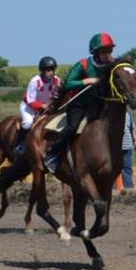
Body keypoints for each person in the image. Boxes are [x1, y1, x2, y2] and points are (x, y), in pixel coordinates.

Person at [43, 33, 116, 174]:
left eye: (109, 51)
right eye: (104, 52)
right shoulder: (83, 64)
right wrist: (87, 81)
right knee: (72, 127)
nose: (107, 55)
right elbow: (68, 83)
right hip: (79, 104)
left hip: (98, 104)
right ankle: (52, 154)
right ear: (95, 52)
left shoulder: (111, 65)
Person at [15, 56, 61, 155]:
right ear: (43, 71)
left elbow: (57, 95)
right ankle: (19, 145)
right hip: (29, 107)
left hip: (46, 106)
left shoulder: (56, 80)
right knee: (28, 123)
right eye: (48, 70)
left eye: (52, 70)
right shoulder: (35, 81)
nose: (51, 73)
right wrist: (43, 106)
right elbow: (30, 100)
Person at [119, 110, 136, 189]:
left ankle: (129, 189)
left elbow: (132, 127)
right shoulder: (111, 112)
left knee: (127, 169)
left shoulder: (128, 113)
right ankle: (113, 190)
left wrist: (135, 139)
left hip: (127, 145)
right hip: (115, 147)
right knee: (113, 169)